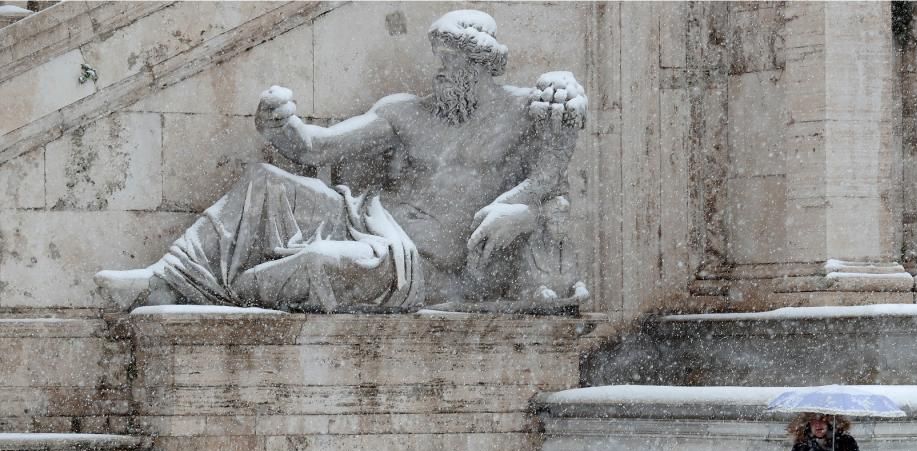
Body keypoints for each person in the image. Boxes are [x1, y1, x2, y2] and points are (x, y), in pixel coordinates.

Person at [94, 10, 588, 312]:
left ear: (482, 61)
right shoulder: (405, 112)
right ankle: (165, 281)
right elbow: (316, 148)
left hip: (419, 265)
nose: (441, 71)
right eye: (439, 59)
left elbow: (552, 177)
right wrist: (279, 125)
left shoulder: (523, 111)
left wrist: (523, 207)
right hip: (368, 218)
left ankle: (232, 288)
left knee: (315, 265)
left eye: (452, 59)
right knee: (265, 180)